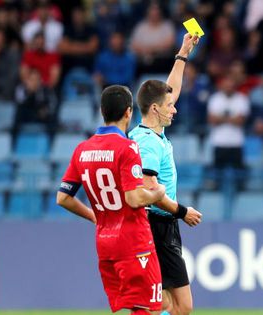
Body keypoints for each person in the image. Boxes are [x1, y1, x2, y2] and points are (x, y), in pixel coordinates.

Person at [56, 85, 167, 314]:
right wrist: (158, 193)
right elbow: (134, 198)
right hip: (134, 241)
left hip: (105, 243)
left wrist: (94, 216)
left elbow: (63, 198)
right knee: (149, 308)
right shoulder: (127, 148)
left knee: (136, 307)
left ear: (101, 110)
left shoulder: (82, 150)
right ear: (129, 112)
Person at [128, 33, 203, 315]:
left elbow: (171, 89)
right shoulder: (147, 143)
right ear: (156, 109)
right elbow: (149, 190)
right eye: (170, 106)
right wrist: (182, 211)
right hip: (156, 224)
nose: (176, 108)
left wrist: (183, 53)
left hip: (161, 224)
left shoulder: (149, 131)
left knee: (173, 304)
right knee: (179, 307)